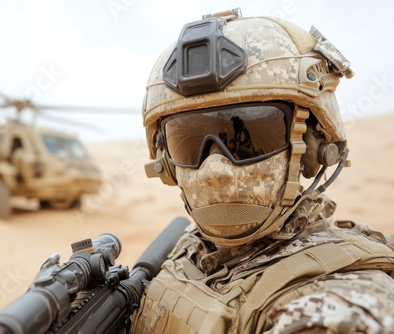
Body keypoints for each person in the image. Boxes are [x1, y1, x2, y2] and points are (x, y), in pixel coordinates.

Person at [130, 8, 394, 333]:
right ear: (167, 163)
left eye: (249, 142)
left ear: (313, 149)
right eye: (189, 142)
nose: (216, 171)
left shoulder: (343, 306)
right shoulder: (194, 251)